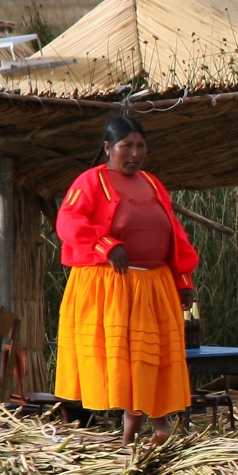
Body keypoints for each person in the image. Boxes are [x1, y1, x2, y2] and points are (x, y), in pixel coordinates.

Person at [55, 114, 199, 444]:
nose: (135, 153)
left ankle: (153, 426)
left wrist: (182, 279)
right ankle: (139, 427)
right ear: (108, 148)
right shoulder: (90, 182)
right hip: (113, 285)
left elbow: (173, 233)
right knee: (129, 358)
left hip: (154, 284)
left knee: (152, 356)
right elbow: (69, 222)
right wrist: (107, 246)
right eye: (126, 146)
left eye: (141, 146)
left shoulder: (152, 183)